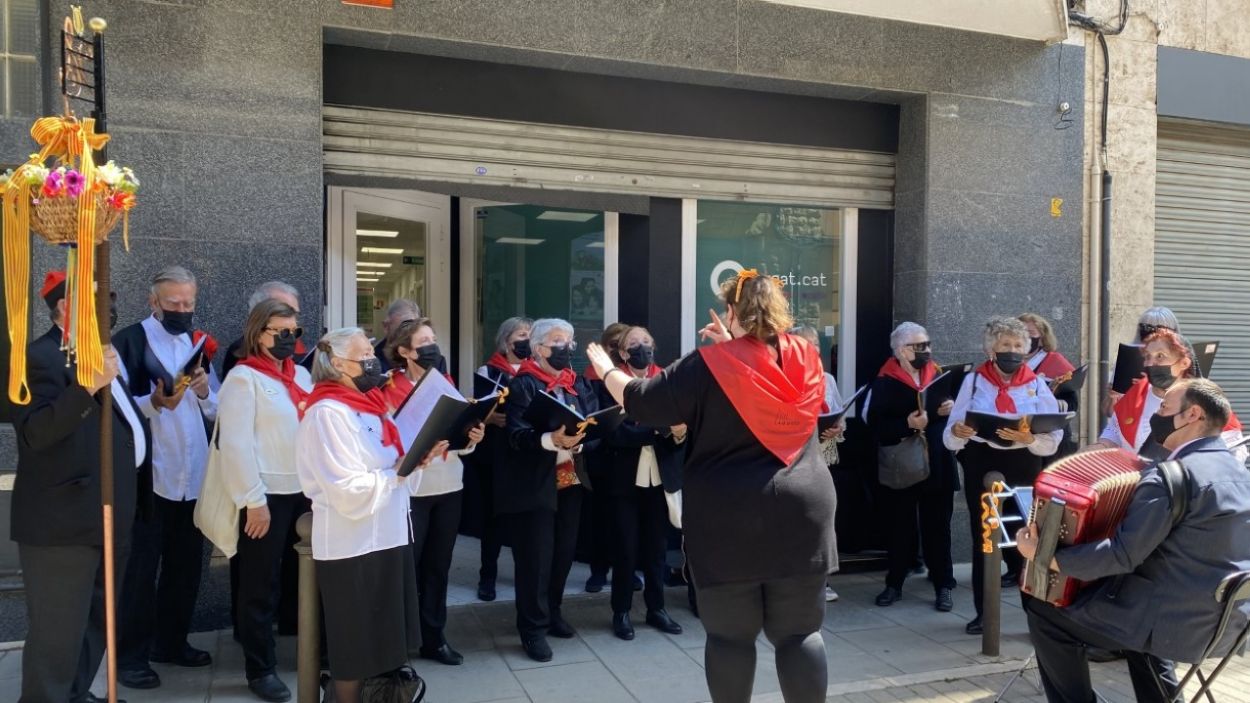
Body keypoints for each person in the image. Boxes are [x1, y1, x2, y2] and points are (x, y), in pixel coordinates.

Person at [586, 270, 836, 703]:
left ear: (733, 312)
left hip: (728, 516)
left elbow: (641, 400)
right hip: (804, 509)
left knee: (731, 639)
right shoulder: (807, 356)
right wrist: (735, 343)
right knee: (800, 634)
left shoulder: (706, 366)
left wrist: (607, 369)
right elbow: (762, 375)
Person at [1016, 378, 1250, 703]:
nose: (1158, 415)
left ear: (1192, 414)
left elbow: (1121, 556)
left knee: (1046, 613)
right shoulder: (1241, 474)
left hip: (1171, 628)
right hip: (1228, 625)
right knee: (1136, 619)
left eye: (1165, 408)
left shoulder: (1171, 477)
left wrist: (1044, 554)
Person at [14, 272, 151, 703]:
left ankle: (75, 694)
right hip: (64, 521)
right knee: (58, 633)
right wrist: (87, 385)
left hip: (110, 513)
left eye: (111, 296)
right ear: (64, 308)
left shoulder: (102, 352)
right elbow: (36, 432)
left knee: (96, 621)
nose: (109, 306)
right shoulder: (38, 356)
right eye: (98, 298)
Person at [295, 328, 445, 703]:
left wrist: (415, 461)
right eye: (364, 356)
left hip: (389, 535)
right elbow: (345, 489)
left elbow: (394, 466)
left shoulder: (372, 405)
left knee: (384, 645)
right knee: (354, 651)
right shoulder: (327, 412)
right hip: (353, 544)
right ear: (339, 363)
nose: (372, 360)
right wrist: (399, 473)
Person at [113, 266, 219, 689]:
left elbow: (216, 407)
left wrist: (203, 391)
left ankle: (172, 641)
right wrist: (155, 403)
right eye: (173, 303)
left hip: (192, 474)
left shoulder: (198, 344)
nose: (181, 310)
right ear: (153, 301)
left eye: (188, 303)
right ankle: (132, 656)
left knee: (185, 566)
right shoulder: (128, 342)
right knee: (141, 571)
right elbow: (116, 410)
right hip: (149, 478)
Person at [210, 299, 311, 702]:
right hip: (265, 495)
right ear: (258, 332)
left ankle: (305, 651)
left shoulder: (301, 376)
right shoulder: (243, 378)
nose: (289, 339)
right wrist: (253, 500)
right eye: (280, 332)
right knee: (259, 584)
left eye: (294, 332)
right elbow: (234, 445)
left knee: (297, 579)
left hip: (302, 493)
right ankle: (260, 668)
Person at [943, 316, 1061, 636]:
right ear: (992, 349)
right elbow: (951, 431)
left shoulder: (1036, 383)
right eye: (1005, 344)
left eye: (1018, 345)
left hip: (1023, 462)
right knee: (987, 538)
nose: (1012, 350)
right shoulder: (974, 381)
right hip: (982, 462)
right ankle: (985, 614)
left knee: (1028, 538)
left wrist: (1031, 439)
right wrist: (959, 430)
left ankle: (1035, 613)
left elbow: (1054, 431)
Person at [380, 318, 485, 667]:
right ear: (404, 351)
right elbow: (387, 444)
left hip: (448, 485)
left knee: (439, 566)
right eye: (424, 341)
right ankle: (397, 640)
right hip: (411, 490)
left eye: (434, 339)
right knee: (407, 567)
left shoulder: (446, 384)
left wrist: (470, 438)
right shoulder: (385, 390)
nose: (432, 347)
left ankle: (433, 637)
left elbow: (454, 440)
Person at [501, 318, 599, 662]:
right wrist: (549, 439)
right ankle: (532, 629)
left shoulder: (574, 385)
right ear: (539, 347)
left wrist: (579, 442)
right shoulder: (523, 385)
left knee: (562, 554)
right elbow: (515, 434)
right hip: (534, 486)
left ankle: (553, 611)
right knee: (535, 559)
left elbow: (591, 423)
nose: (565, 348)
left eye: (569, 342)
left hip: (570, 480)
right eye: (558, 341)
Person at [866, 322, 958, 613]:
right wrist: (907, 423)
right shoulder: (884, 381)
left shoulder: (940, 375)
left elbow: (950, 419)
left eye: (927, 344)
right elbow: (875, 426)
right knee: (899, 527)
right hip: (902, 465)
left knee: (939, 527)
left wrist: (950, 409)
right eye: (919, 346)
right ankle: (894, 583)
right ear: (901, 350)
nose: (926, 351)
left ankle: (944, 584)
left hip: (938, 462)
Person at [600, 326, 685, 640]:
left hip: (659, 478)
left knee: (656, 549)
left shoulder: (668, 380)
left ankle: (656, 608)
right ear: (622, 353)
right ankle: (621, 612)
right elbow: (614, 433)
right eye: (633, 344)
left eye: (647, 342)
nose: (641, 348)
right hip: (623, 479)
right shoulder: (611, 382)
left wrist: (676, 434)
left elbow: (679, 432)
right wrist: (658, 430)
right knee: (625, 548)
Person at [1096, 329, 1244, 462]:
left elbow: (1235, 452)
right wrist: (1102, 444)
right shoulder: (1134, 394)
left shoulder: (1207, 403)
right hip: (1135, 486)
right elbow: (1115, 430)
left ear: (1184, 363)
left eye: (1160, 356)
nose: (1151, 363)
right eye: (1147, 357)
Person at [471, 316, 531, 602]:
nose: (526, 340)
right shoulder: (489, 370)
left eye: (531, 335)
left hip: (524, 453)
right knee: (493, 519)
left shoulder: (537, 372)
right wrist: (489, 416)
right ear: (507, 340)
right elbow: (477, 409)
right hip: (495, 454)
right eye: (521, 334)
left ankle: (525, 576)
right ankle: (488, 576)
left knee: (523, 521)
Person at [791, 325, 843, 603]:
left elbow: (836, 411)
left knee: (821, 522)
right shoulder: (783, 377)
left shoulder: (827, 379)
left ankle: (820, 582)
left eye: (816, 345)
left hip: (822, 458)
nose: (813, 350)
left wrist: (837, 427)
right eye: (805, 344)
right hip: (794, 461)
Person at [584, 322, 631, 594]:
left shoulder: (632, 376)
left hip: (628, 459)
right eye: (612, 345)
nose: (617, 349)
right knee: (600, 518)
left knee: (624, 524)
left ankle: (625, 572)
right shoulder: (591, 376)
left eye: (620, 345)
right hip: (601, 457)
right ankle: (598, 571)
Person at [1020, 312, 1079, 456]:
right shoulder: (1008, 364)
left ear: (1041, 339)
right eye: (1021, 332)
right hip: (1019, 441)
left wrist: (1048, 398)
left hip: (1052, 438)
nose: (1025, 337)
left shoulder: (1055, 362)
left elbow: (1072, 404)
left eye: (1031, 333)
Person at [1104, 306, 1180, 413]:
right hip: (1128, 426)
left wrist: (1152, 390)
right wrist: (1112, 398)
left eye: (1161, 333)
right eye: (1146, 331)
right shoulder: (1128, 358)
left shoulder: (1182, 364)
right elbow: (1109, 411)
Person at [221, 281, 305, 377]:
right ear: (262, 312)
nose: (292, 318)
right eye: (284, 311)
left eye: (295, 314)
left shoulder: (301, 371)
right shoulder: (242, 357)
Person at [374, 298, 421, 371]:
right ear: (386, 326)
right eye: (402, 331)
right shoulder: (373, 361)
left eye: (413, 330)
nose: (408, 337)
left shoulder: (426, 357)